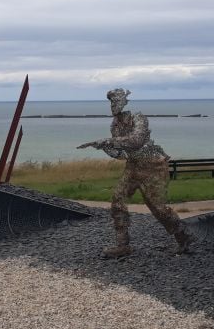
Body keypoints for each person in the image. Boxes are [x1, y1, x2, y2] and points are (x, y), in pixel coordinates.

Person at [78, 88, 192, 257]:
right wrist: (105, 148)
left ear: (124, 102)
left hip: (154, 167)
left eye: (116, 101)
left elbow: (136, 141)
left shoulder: (138, 118)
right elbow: (123, 154)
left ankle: (183, 236)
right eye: (111, 102)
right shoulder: (115, 126)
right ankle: (122, 245)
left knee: (158, 209)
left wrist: (109, 141)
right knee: (118, 200)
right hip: (133, 166)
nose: (113, 105)